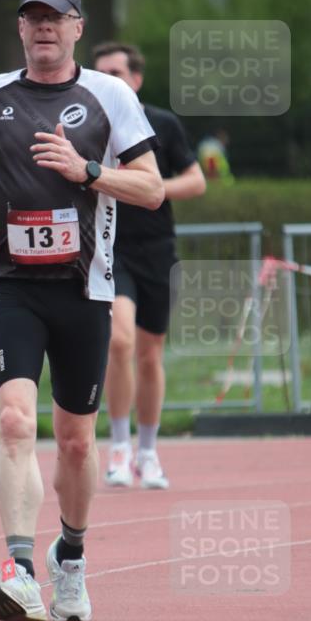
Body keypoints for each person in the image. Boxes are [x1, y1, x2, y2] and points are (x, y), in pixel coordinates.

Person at [0, 0, 164, 621]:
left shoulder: (108, 96)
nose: (42, 28)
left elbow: (149, 189)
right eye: (31, 18)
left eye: (54, 18)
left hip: (84, 287)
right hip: (12, 282)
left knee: (73, 442)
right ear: (19, 30)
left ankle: (70, 556)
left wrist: (86, 172)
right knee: (14, 420)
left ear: (75, 28)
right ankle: (18, 569)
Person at [93, 42, 206, 489]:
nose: (110, 81)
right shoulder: (91, 126)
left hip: (157, 249)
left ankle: (148, 452)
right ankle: (118, 447)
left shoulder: (161, 123)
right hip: (111, 247)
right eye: (101, 74)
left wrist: (149, 188)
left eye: (117, 72)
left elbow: (196, 181)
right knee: (119, 340)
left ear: (136, 79)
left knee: (149, 353)